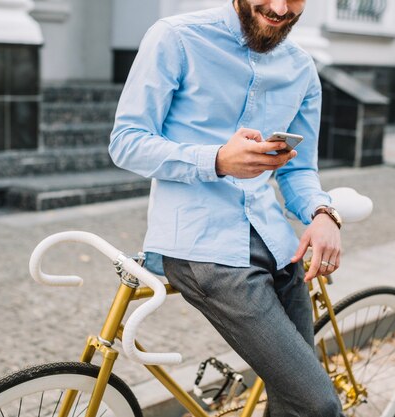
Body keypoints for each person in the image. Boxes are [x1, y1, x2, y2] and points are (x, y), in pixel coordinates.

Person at [109, 1, 345, 415]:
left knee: (293, 403)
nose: (278, 8)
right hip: (203, 251)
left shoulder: (302, 69)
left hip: (278, 247)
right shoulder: (176, 38)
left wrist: (323, 214)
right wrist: (216, 160)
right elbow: (126, 141)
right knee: (319, 405)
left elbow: (300, 170)